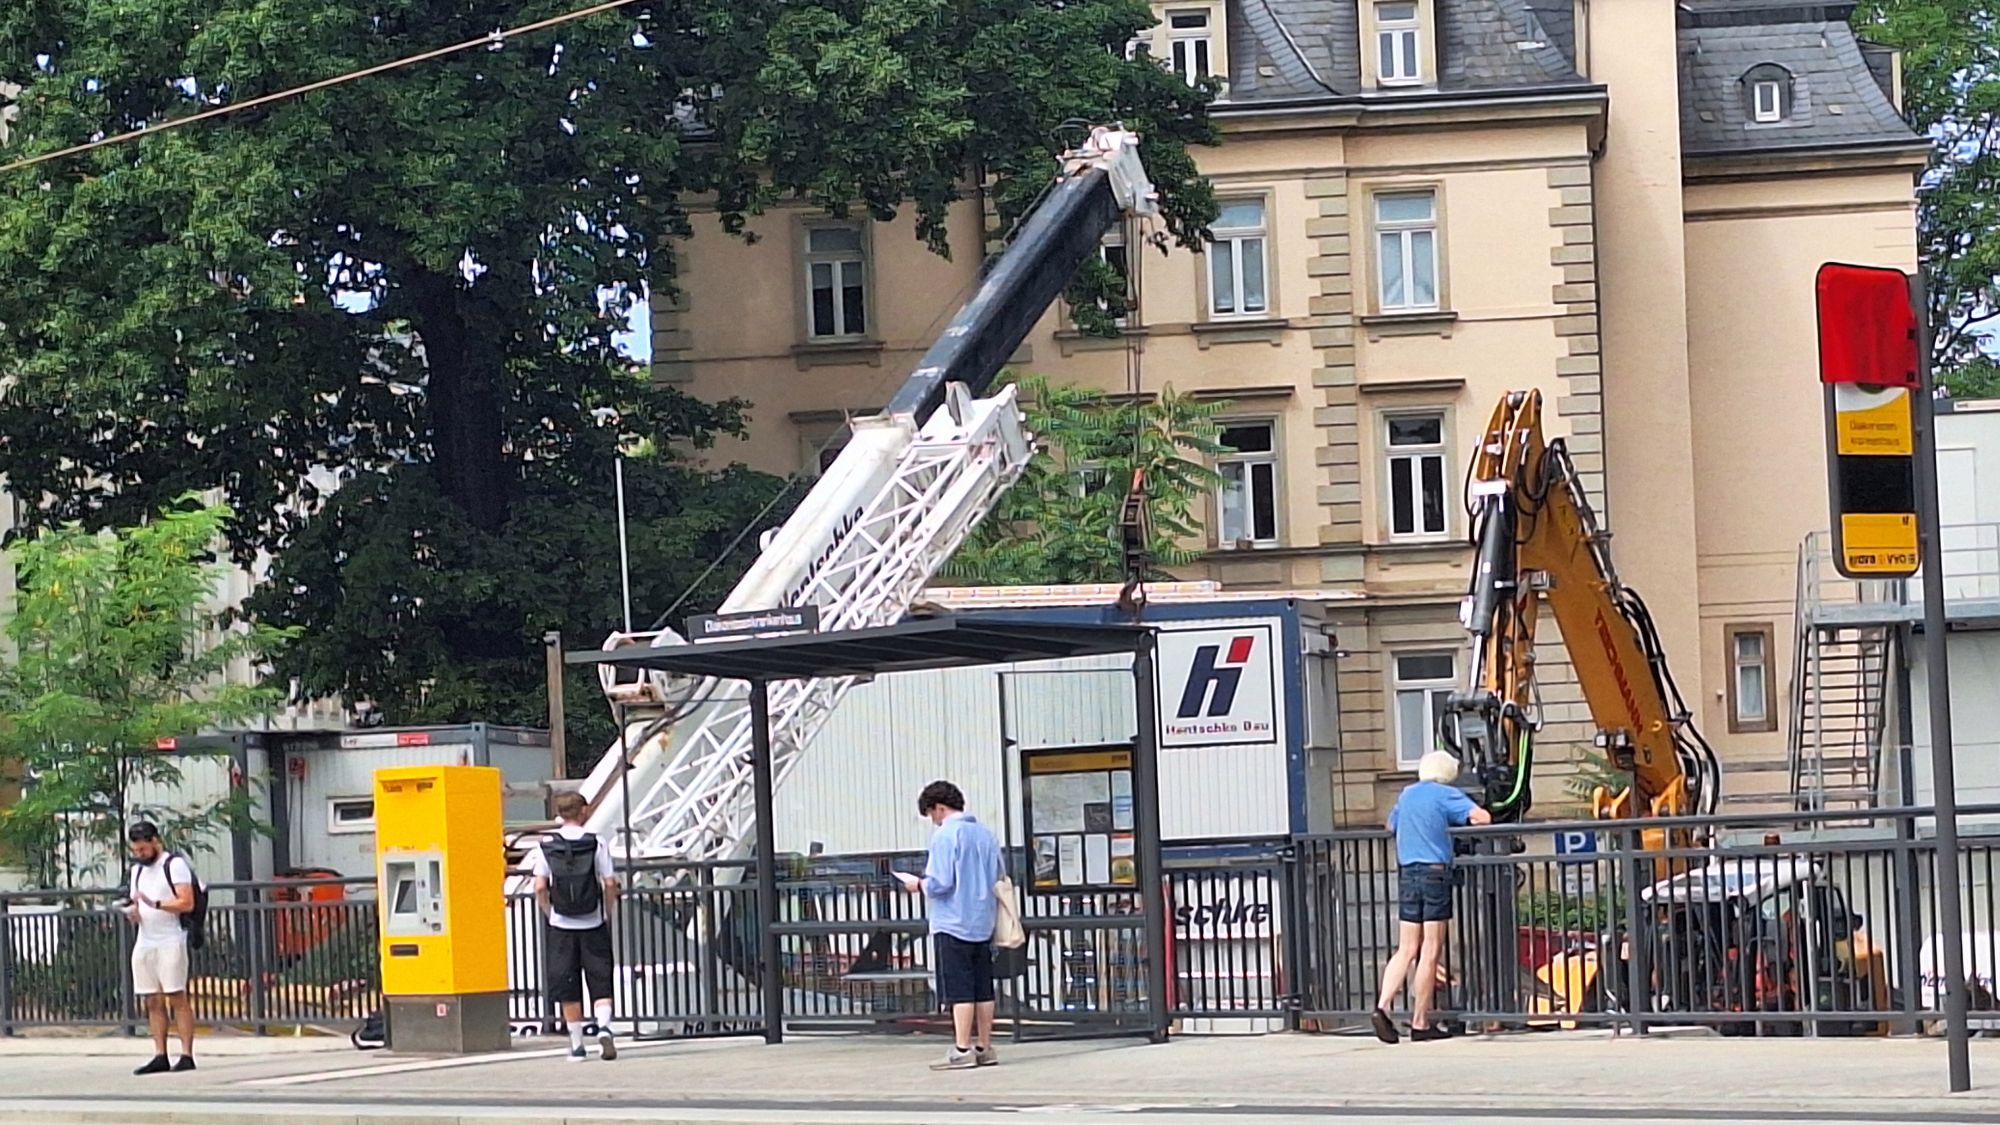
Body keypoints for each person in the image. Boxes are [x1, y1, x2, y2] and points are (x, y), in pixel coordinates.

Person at [1372, 750, 1490, 1044]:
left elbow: (1390, 825)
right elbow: (1482, 817)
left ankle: (1382, 1006)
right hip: (1435, 874)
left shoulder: (1407, 794)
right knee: (1431, 948)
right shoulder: (1445, 794)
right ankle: (1421, 1021)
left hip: (1407, 874)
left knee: (1406, 948)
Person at [894, 780, 1003, 1070]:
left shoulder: (945, 836)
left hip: (953, 921)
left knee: (960, 990)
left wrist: (917, 884)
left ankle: (962, 1049)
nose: (932, 821)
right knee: (983, 989)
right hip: (984, 920)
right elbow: (999, 876)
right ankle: (985, 1046)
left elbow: (941, 883)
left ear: (939, 808)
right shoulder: (986, 835)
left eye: (931, 814)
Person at [530, 791, 621, 1062]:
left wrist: (550, 913)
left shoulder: (546, 844)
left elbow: (540, 887)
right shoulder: (597, 843)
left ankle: (577, 1046)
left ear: (560, 813)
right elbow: (610, 883)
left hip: (561, 924)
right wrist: (606, 911)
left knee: (567, 983)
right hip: (592, 921)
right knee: (600, 978)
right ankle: (603, 1027)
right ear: (583, 811)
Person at [124, 821, 197, 1075]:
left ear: (155, 841)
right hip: (146, 938)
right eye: (136, 850)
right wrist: (134, 911)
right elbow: (137, 900)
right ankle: (160, 1053)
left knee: (176, 995)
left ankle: (186, 1053)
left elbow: (186, 902)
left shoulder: (173, 865)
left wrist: (155, 903)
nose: (140, 854)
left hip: (170, 937)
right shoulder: (137, 872)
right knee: (151, 999)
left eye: (143, 849)